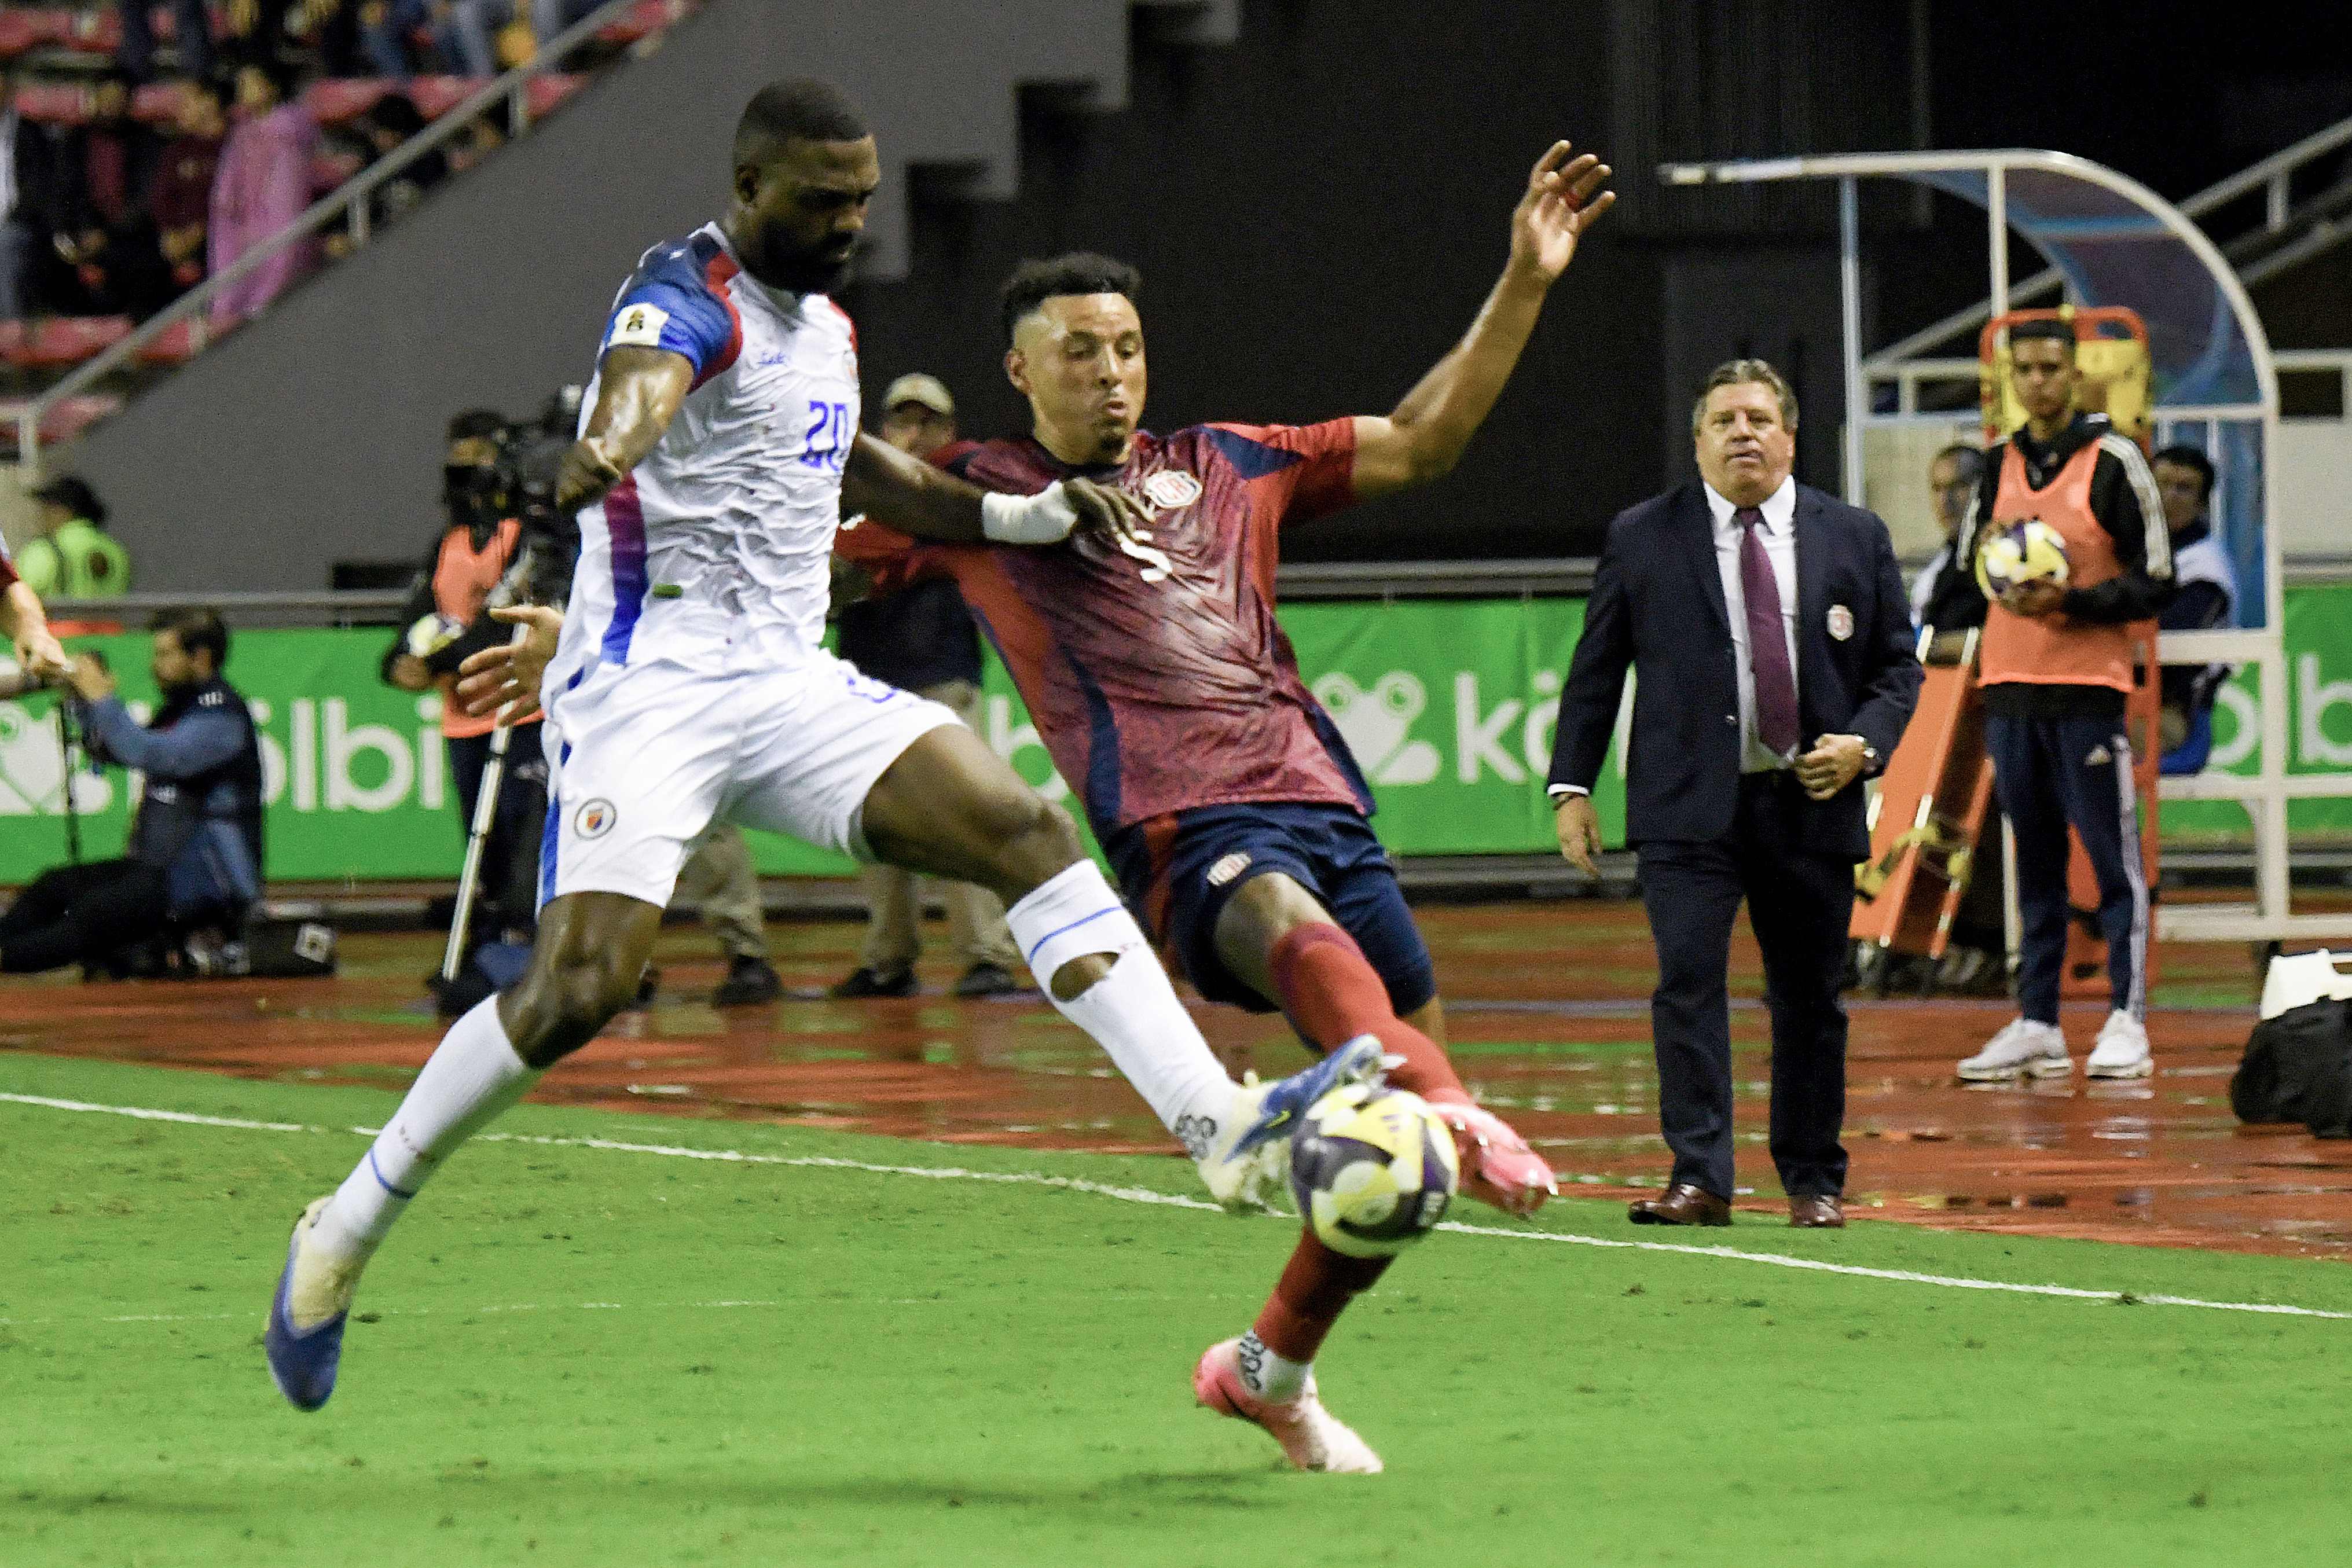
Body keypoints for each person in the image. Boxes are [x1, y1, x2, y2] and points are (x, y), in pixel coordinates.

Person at [265, 80, 1378, 1434]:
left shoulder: (830, 327)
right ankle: (346, 1224)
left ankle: (1220, 1130)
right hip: (649, 690)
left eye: (861, 199)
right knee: (577, 992)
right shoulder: (683, 293)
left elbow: (859, 473)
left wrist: (1022, 521)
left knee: (1019, 829)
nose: (849, 221)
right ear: (750, 189)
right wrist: (585, 457)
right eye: (821, 200)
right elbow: (636, 397)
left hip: (790, 684)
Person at [835, 139, 1612, 1470]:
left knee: (1392, 1179)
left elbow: (1426, 441)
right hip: (1181, 830)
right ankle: (1448, 1101)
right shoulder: (974, 496)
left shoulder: (1235, 461)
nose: (1109, 370)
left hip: (1322, 800)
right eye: (1077, 351)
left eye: (1125, 345)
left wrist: (1524, 280)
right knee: (1303, 954)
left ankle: (1268, 1368)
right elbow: (801, 548)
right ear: (1021, 371)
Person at [1549, 360, 1921, 1229]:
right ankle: (1699, 1176)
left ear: (1789, 435)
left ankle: (1812, 1179)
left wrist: (1864, 745)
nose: (1742, 433)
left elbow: (1897, 667)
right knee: (1685, 982)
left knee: (1809, 996)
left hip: (1809, 799)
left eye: (1758, 417)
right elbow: (1595, 670)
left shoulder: (1853, 535)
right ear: (1697, 442)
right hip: (1687, 805)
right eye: (1723, 420)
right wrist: (1571, 785)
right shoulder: (1642, 534)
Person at [1946, 318, 2174, 1083]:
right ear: (2010, 379)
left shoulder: (2112, 463)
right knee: (2031, 863)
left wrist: (2066, 601)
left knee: (2109, 860)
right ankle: (2038, 1019)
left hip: (2086, 690)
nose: (2038, 382)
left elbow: (2155, 579)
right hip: (2009, 688)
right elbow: (1963, 571)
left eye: (2051, 368)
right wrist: (1996, 588)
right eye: (2026, 370)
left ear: (2075, 376)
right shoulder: (1994, 466)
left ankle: (2125, 1018)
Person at [832, 372, 1024, 1000]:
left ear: (947, 431)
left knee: (962, 818)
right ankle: (888, 957)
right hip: (863, 676)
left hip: (939, 674)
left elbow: (852, 553)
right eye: (901, 421)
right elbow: (838, 561)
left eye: (926, 423)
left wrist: (847, 551)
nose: (912, 435)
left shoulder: (952, 486)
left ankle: (985, 957)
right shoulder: (859, 489)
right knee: (871, 819)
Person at [2, 609, 263, 975]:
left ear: (200, 657)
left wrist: (102, 700)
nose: (155, 666)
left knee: (93, 915)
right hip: (157, 872)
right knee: (53, 888)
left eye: (165, 654)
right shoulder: (182, 708)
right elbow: (113, 750)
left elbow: (151, 753)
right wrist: (83, 700)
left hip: (203, 881)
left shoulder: (222, 716)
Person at [382, 410, 548, 961]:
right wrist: (401, 659)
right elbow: (415, 615)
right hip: (463, 717)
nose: (464, 470)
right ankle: (499, 945)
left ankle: (533, 941)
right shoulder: (448, 542)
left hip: (522, 714)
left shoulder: (528, 537)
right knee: (485, 842)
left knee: (526, 832)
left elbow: (498, 618)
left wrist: (435, 663)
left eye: (475, 456)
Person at [54, 68, 173, 320]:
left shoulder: (147, 142)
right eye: (106, 98)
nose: (111, 106)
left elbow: (147, 197)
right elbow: (65, 193)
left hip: (131, 236)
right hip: (83, 234)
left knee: (137, 265)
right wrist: (76, 234)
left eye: (117, 99)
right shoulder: (74, 141)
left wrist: (108, 235)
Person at [209, 60, 318, 327]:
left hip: (272, 237)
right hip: (240, 234)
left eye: (250, 83)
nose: (243, 90)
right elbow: (225, 195)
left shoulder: (287, 137)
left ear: (272, 87)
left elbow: (286, 208)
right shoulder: (242, 134)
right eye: (241, 85)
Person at [2149, 445, 2236, 774]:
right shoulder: (2134, 551)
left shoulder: (2205, 569)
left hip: (2171, 716)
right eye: (2160, 483)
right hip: (2119, 703)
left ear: (2201, 504)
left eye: (2184, 488)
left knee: (2079, 742)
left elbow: (2169, 655)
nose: (2169, 496)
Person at [152, 80, 227, 296]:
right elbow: (161, 198)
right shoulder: (177, 151)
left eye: (186, 103)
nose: (179, 110)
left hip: (222, 237)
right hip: (180, 239)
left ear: (210, 102)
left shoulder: (236, 144)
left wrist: (199, 231)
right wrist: (171, 232)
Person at [17, 478, 132, 601]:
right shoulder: (116, 551)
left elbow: (15, 595)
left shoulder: (45, 549)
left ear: (62, 511)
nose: (41, 516)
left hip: (58, 620)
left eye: (47, 508)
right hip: (108, 620)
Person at [1911, 443, 1983, 627]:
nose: (1945, 500)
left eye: (1958, 486)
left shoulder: (1993, 563)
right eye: (1937, 489)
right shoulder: (1935, 570)